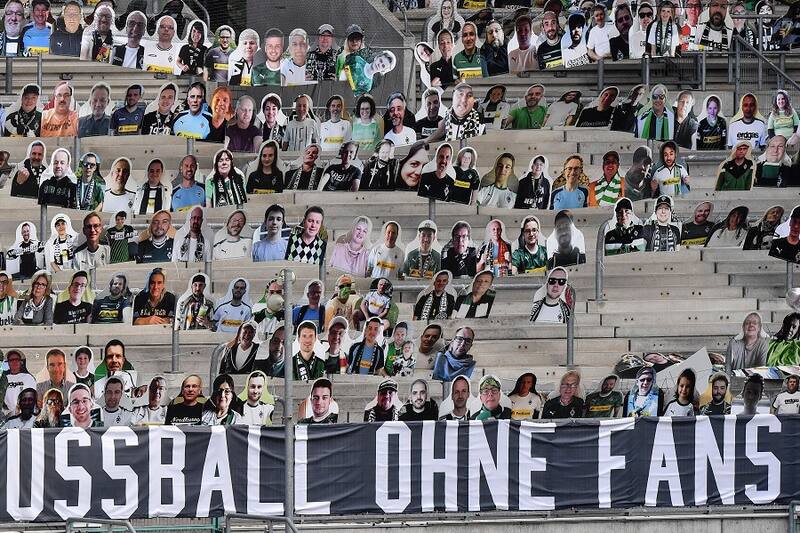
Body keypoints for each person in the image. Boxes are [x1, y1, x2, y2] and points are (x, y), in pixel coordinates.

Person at [0, 348, 36, 413]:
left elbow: (34, 396)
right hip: (7, 413)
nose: (14, 362)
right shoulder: (4, 378)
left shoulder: (29, 378)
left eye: (16, 359)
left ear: (21, 362)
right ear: (8, 363)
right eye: (11, 360)